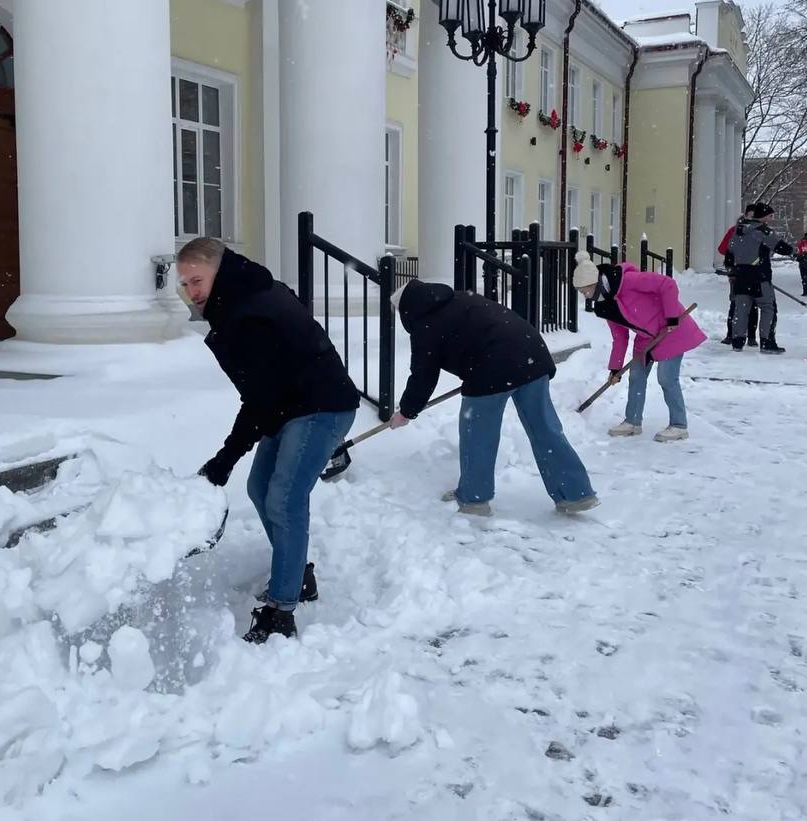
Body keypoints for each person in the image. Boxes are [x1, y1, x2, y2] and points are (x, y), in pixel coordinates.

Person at [177, 238, 358, 644]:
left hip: (320, 405)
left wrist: (224, 459)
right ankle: (298, 575)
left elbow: (258, 396)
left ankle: (281, 611)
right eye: (185, 284)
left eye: (197, 280)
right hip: (291, 404)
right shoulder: (246, 295)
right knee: (261, 489)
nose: (192, 292)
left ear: (219, 272)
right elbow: (264, 391)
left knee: (285, 498)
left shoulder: (246, 312)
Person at [387, 279, 598, 516]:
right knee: (545, 429)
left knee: (478, 434)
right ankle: (576, 493)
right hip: (532, 353)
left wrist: (406, 411)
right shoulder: (457, 298)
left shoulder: (425, 324)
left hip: (491, 368)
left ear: (406, 308)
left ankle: (474, 498)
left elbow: (423, 376)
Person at [572, 252, 706, 442]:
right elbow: (619, 337)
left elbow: (667, 284)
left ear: (597, 283)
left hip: (670, 330)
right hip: (646, 338)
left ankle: (679, 425)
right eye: (581, 292)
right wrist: (615, 368)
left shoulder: (629, 281)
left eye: (586, 290)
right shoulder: (605, 306)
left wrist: (671, 316)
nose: (585, 295)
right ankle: (632, 422)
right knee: (636, 376)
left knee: (667, 378)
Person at [724, 202, 795, 354]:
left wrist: (731, 272)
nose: (770, 219)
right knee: (768, 308)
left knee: (741, 308)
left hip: (741, 276)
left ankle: (737, 341)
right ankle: (767, 342)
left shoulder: (738, 230)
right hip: (759, 277)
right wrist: (792, 250)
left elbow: (729, 253)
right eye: (769, 216)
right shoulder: (763, 231)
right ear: (762, 216)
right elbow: (782, 248)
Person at [718, 206, 758, 347]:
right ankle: (731, 334)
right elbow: (723, 249)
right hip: (737, 273)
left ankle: (752, 337)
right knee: (736, 303)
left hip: (755, 273)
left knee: (753, 304)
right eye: (751, 215)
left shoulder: (760, 231)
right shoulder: (735, 231)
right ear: (746, 215)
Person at [798, 228, 807, 297]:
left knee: (804, 276)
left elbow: (800, 251)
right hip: (805, 260)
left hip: (803, 261)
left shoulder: (802, 242)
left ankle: (805, 290)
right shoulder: (802, 242)